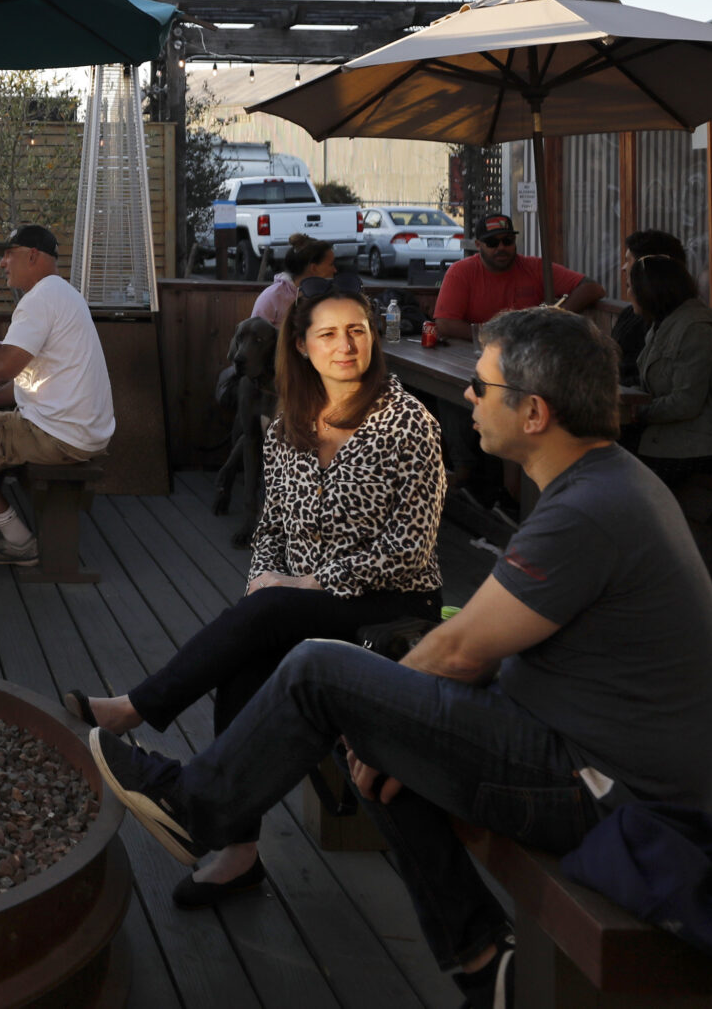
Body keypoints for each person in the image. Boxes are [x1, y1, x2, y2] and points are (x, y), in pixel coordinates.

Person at [87, 308, 712, 1009]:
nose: (470, 399)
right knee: (369, 728)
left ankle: (198, 804)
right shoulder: (601, 482)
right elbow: (481, 641)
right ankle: (483, 960)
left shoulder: (587, 509)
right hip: (582, 756)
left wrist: (382, 709)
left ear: (535, 411)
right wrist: (384, 721)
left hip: (605, 793)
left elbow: (455, 648)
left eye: (482, 387)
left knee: (319, 669)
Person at [69, 271, 443, 907]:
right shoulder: (289, 424)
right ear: (300, 345)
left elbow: (410, 551)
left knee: (268, 614)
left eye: (357, 331)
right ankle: (240, 853)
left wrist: (305, 583)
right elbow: (270, 531)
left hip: (391, 606)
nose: (346, 345)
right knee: (248, 646)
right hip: (296, 603)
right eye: (328, 333)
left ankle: (137, 708)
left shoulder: (407, 424)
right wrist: (263, 588)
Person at [0, 224, 116, 567]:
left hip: (59, 435)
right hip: (81, 431)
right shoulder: (63, 294)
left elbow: (1, 367)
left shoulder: (40, 301)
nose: (2, 263)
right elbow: (27, 377)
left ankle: (18, 539)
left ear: (32, 256)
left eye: (8, 254)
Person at [628, 250, 712, 484]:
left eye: (631, 287)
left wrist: (635, 413)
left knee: (618, 470)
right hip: (673, 439)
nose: (629, 293)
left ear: (649, 292)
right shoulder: (663, 323)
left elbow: (685, 403)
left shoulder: (695, 330)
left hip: (704, 448)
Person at [430, 213, 605, 341]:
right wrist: (496, 338)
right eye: (492, 243)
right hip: (475, 354)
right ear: (478, 245)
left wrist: (557, 316)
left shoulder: (535, 267)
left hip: (529, 354)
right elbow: (445, 323)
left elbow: (593, 288)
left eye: (507, 241)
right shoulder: (461, 271)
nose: (501, 247)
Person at [607, 230, 688, 387]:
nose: (623, 268)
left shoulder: (678, 323)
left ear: (648, 266)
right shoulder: (629, 313)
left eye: (628, 261)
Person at [249, 235, 335, 330]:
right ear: (314, 268)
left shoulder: (329, 295)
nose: (335, 270)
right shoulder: (272, 296)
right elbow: (254, 335)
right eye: (331, 264)